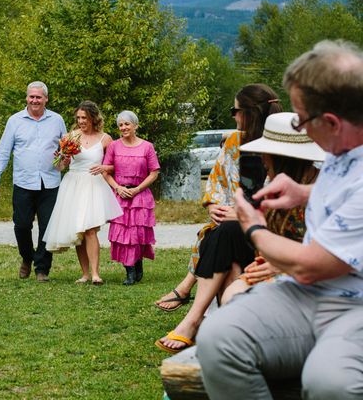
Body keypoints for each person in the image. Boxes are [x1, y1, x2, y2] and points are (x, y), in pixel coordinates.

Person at [197, 40, 363, 399]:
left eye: (302, 120)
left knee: (331, 383)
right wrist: (305, 193)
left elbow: (308, 266)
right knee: (217, 340)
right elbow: (347, 196)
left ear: (333, 122)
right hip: (310, 296)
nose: (300, 130)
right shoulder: (343, 145)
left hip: (353, 305)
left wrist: (252, 225)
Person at [156, 84, 281, 354]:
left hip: (272, 237)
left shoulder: (284, 144)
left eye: (235, 111)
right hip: (238, 234)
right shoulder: (235, 143)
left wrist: (249, 214)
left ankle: (194, 319)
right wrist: (213, 205)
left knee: (225, 233)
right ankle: (213, 324)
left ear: (251, 113)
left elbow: (291, 203)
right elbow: (217, 181)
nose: (233, 117)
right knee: (224, 233)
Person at [220, 112, 323, 304]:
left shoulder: (324, 190)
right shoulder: (272, 184)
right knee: (232, 296)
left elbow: (332, 250)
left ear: (280, 157)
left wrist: (284, 265)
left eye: (266, 153)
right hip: (270, 267)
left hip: (310, 274)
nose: (262, 159)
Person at [0, 81, 67, 282]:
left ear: (46, 99)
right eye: (31, 97)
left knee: (47, 227)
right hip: (23, 182)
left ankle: (42, 269)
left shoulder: (57, 120)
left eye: (38, 97)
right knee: (22, 225)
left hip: (50, 182)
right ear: (26, 98)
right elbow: (3, 152)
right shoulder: (15, 121)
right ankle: (26, 257)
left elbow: (66, 149)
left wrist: (64, 157)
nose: (34, 100)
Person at [43, 101, 122, 285]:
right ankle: (85, 274)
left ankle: (95, 273)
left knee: (90, 229)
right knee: (79, 229)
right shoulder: (70, 137)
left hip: (94, 185)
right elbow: (61, 167)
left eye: (84, 118)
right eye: (78, 118)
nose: (81, 121)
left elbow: (115, 166)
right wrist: (61, 158)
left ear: (93, 118)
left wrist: (103, 166)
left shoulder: (106, 139)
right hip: (73, 185)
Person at [102, 110, 160, 285]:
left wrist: (137, 189)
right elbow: (105, 171)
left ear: (135, 125)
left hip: (140, 196)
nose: (123, 127)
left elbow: (154, 172)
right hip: (120, 195)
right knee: (123, 235)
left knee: (138, 233)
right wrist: (118, 188)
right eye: (120, 125)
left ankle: (138, 264)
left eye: (127, 124)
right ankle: (129, 272)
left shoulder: (147, 147)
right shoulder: (114, 146)